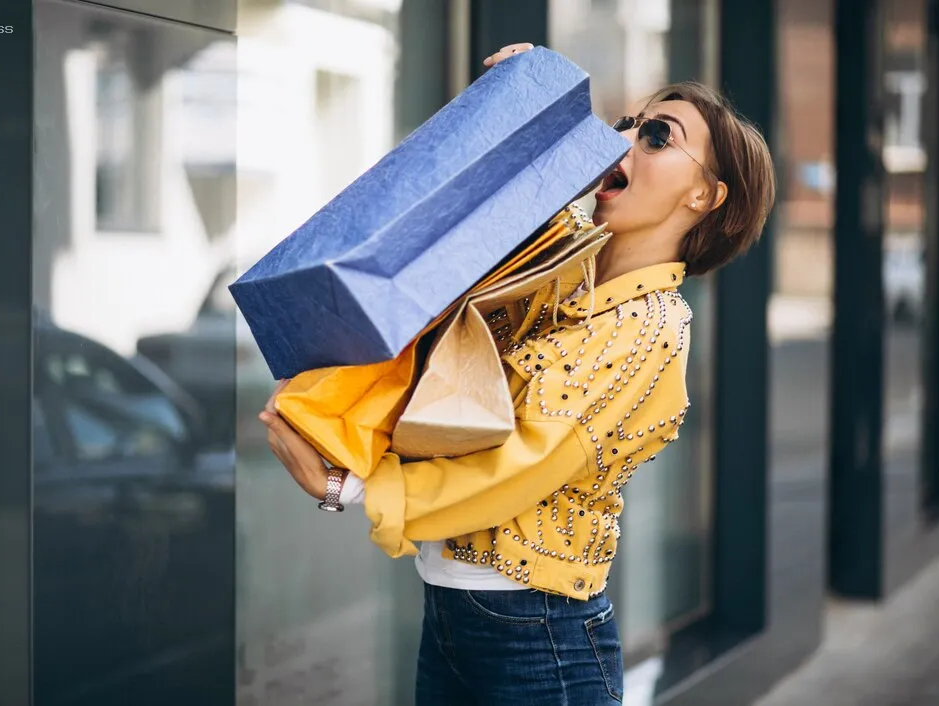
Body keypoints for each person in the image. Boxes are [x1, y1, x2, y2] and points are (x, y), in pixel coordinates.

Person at [258, 42, 776, 706]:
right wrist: (525, 100)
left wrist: (352, 489)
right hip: (453, 614)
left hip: (541, 639)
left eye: (656, 136)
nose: (624, 139)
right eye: (627, 124)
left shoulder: (650, 326)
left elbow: (522, 464)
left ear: (705, 194)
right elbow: (478, 216)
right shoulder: (559, 259)